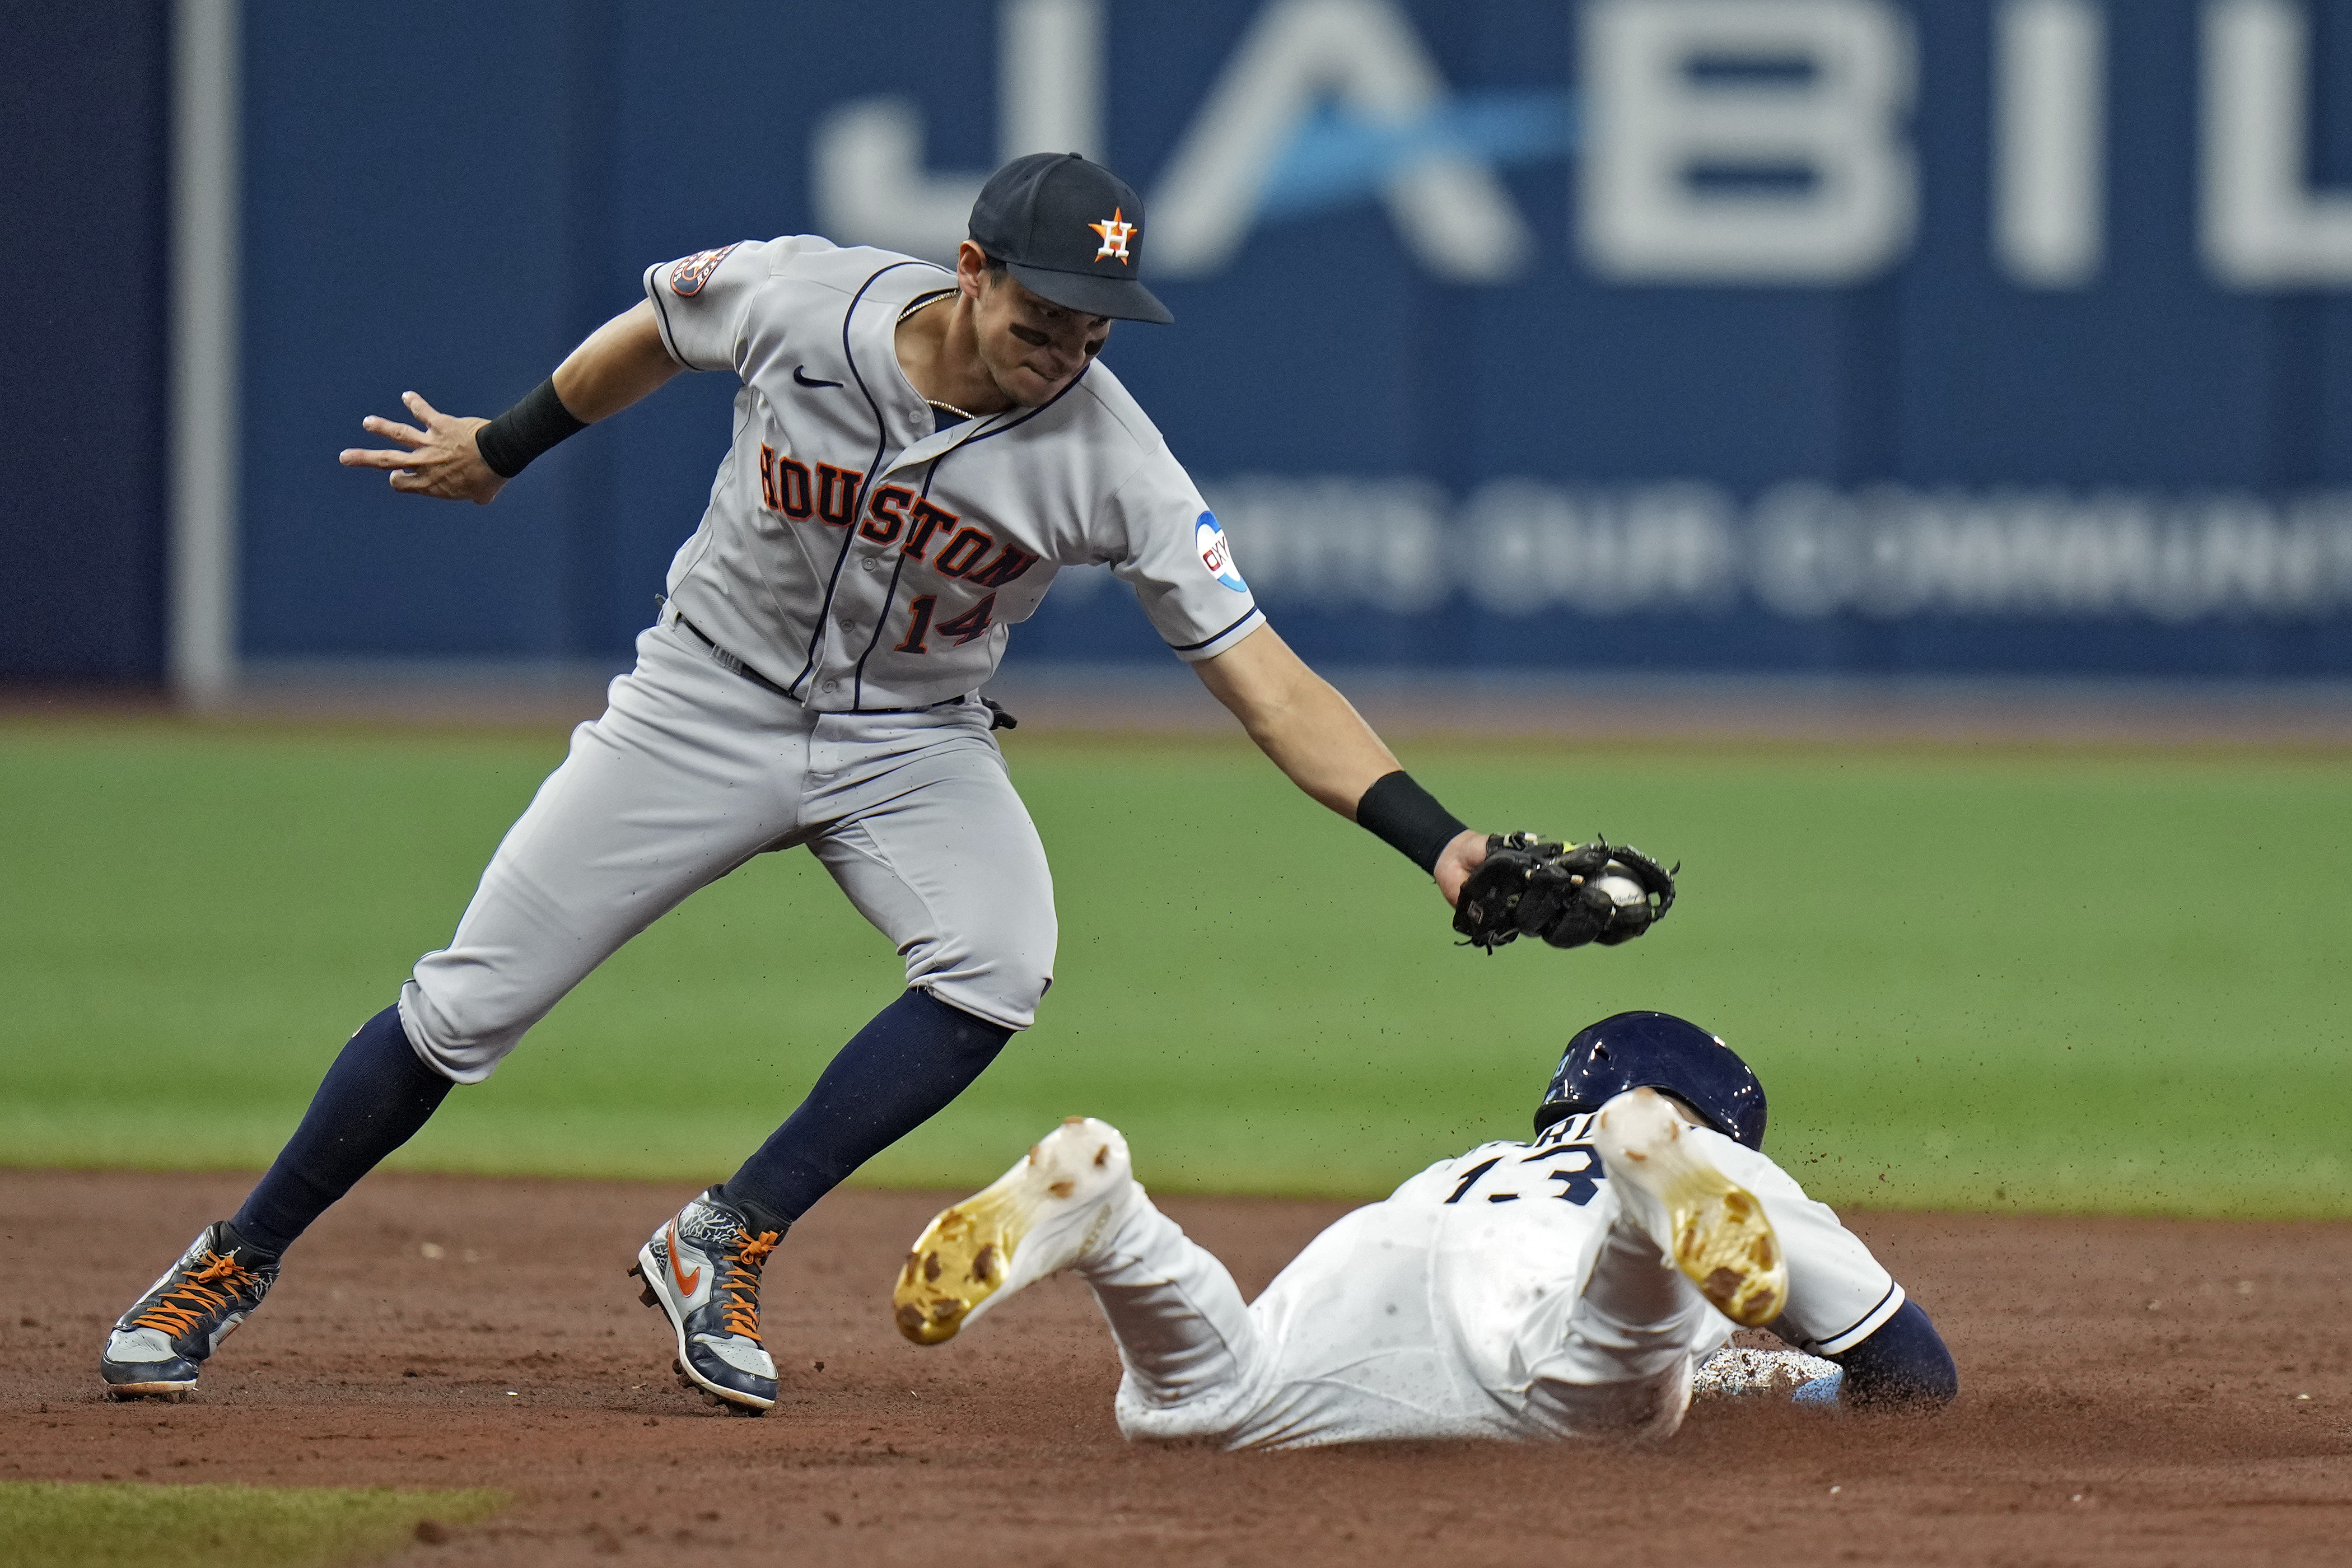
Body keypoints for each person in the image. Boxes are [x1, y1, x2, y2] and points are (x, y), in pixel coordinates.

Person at [97, 155, 1646, 1411]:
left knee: (997, 964)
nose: (1074, 345)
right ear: (971, 270)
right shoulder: (798, 296)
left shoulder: (1113, 457)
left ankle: (725, 1234)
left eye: (1102, 322)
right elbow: (652, 328)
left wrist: (1438, 846)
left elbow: (1266, 678)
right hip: (697, 707)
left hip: (913, 740)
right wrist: (507, 445)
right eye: (1050, 310)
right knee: (466, 1007)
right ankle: (236, 1256)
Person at [892, 1011, 1958, 1446]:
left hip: (1376, 1260)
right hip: (1547, 1325)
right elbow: (1913, 1374)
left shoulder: (1478, 1162)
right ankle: (1646, 1223)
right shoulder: (1729, 1166)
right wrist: (1803, 1384)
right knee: (1613, 1373)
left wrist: (1741, 1378)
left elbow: (1473, 1303)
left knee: (1205, 1408)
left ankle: (1116, 1217)